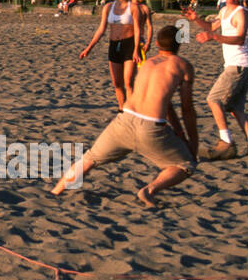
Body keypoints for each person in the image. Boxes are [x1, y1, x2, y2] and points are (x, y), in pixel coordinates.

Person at [51, 26, 197, 208]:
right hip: (151, 128)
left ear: (158, 43)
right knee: (186, 165)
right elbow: (187, 109)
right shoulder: (183, 65)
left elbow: (165, 103)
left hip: (124, 121)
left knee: (88, 159)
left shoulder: (148, 63)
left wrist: (178, 132)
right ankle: (149, 191)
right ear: (179, 43)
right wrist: (191, 141)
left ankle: (56, 191)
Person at [181, 0, 248, 159]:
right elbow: (212, 26)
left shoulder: (242, 13)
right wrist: (196, 19)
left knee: (213, 99)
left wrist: (214, 38)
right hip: (241, 65)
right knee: (236, 109)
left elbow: (240, 38)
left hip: (239, 65)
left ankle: (226, 142)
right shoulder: (225, 10)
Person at [78, 0, 141, 110]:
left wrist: (136, 50)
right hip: (114, 45)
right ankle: (122, 109)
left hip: (129, 45)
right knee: (117, 83)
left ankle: (131, 111)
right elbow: (101, 29)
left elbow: (137, 30)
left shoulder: (134, 8)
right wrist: (89, 47)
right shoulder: (108, 7)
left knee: (128, 82)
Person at [129, 0, 153, 64]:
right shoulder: (126, 7)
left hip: (140, 40)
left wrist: (148, 42)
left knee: (140, 67)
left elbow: (149, 26)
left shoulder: (144, 8)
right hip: (127, 39)